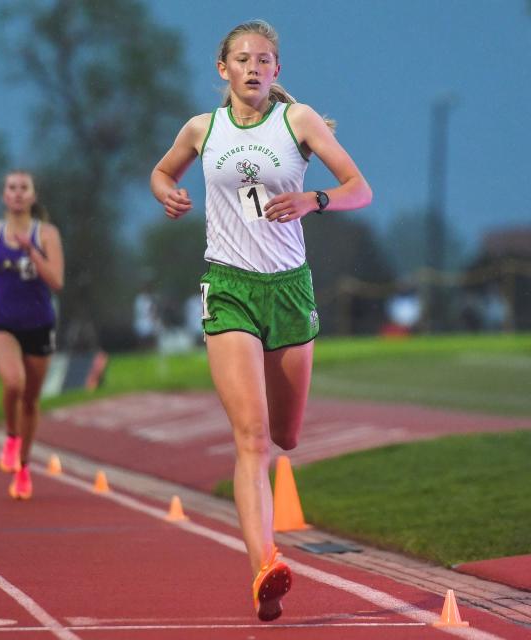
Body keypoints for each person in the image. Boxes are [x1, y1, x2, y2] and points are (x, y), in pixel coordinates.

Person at [150, 20, 372, 621]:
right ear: (222, 69)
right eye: (242, 59)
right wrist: (164, 189)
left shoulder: (296, 123)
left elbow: (359, 188)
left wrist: (313, 199)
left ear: (278, 72)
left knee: (286, 436)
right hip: (228, 289)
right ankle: (264, 566)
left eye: (265, 59)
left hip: (289, 290)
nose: (253, 67)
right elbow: (161, 170)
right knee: (251, 439)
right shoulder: (203, 128)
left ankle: (266, 556)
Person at [0, 170, 64, 500]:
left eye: (24, 188)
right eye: (12, 188)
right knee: (13, 383)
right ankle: (10, 438)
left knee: (31, 401)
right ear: (4, 195)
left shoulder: (47, 234)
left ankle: (23, 469)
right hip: (2, 322)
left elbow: (57, 281)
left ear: (33, 196)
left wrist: (31, 251)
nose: (18, 193)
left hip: (39, 325)